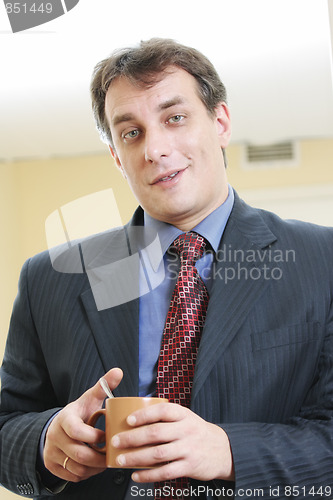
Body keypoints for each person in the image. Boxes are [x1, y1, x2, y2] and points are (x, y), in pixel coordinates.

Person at [0, 37, 333, 500]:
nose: (155, 148)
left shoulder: (323, 260)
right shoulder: (50, 278)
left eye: (174, 118)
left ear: (220, 122)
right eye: (131, 133)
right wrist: (46, 440)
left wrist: (230, 450)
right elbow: (7, 426)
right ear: (117, 157)